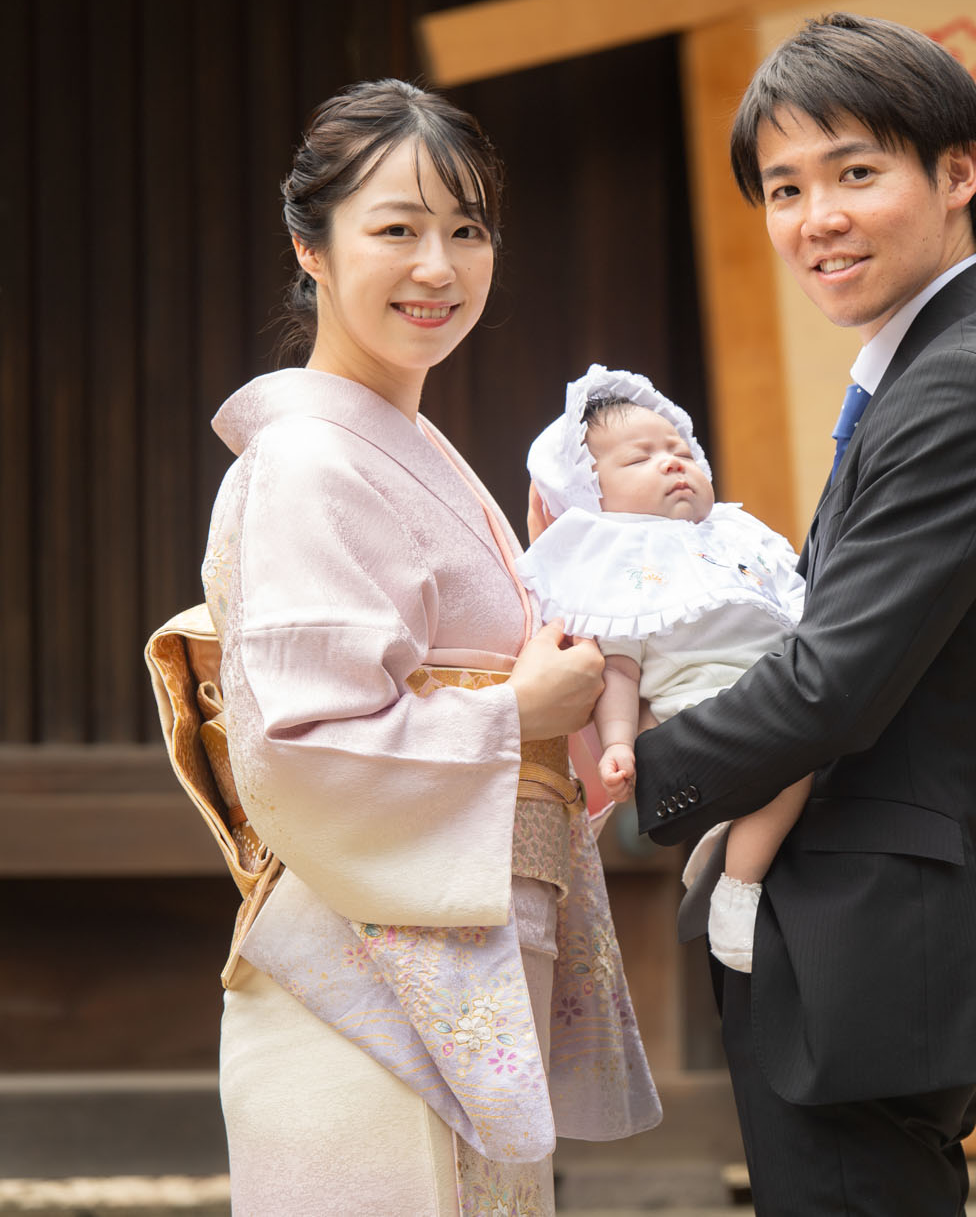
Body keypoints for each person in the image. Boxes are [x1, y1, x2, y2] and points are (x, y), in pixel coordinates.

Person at [630, 12, 976, 1215]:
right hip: (877, 934)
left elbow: (828, 681)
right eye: (783, 188)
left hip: (877, 935)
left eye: (854, 172)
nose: (814, 220)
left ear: (958, 172)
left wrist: (632, 779)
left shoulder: (965, 389)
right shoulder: (930, 369)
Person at [201, 80, 659, 1216]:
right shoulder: (309, 458)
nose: (438, 267)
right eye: (396, 229)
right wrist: (516, 711)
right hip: (369, 980)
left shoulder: (412, 448)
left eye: (466, 229)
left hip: (462, 952)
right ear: (310, 246)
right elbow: (303, 745)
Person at [515, 365, 811, 971]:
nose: (673, 462)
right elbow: (617, 670)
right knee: (796, 761)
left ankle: (727, 846)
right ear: (591, 494)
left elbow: (805, 609)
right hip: (696, 710)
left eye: (682, 452)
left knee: (810, 752)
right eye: (640, 459)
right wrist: (618, 743)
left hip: (780, 686)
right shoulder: (614, 562)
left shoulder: (735, 536)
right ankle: (738, 885)